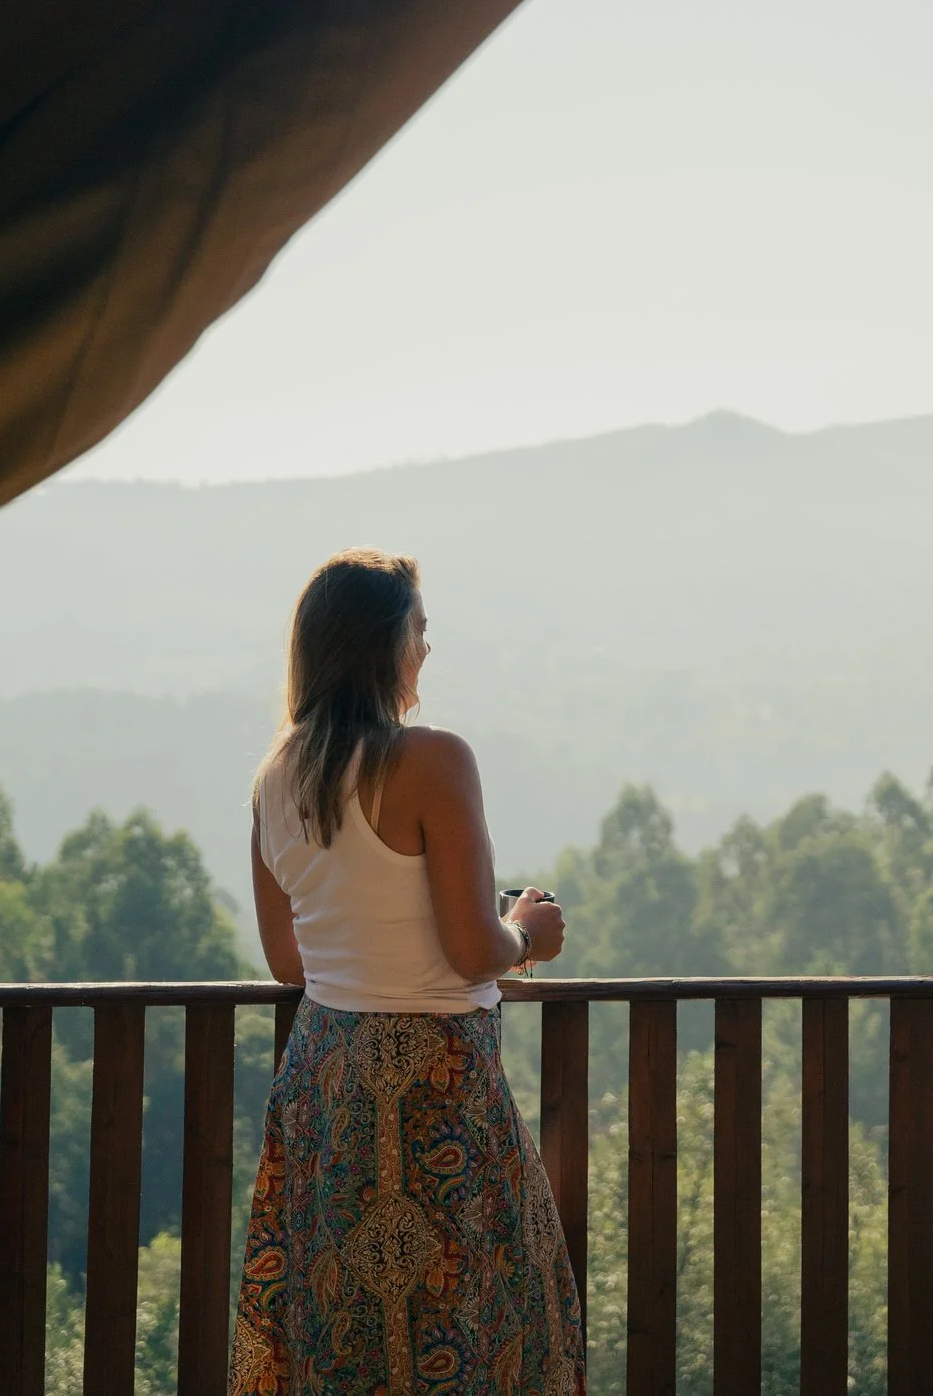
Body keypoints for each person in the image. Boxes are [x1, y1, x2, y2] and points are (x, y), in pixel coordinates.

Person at [233, 548, 581, 1395]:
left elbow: (288, 959)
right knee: (472, 1312)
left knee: (341, 1325)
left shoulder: (275, 780)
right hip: (436, 1077)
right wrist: (525, 931)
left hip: (326, 1083)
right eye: (420, 630)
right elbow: (472, 951)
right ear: (385, 644)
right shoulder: (432, 760)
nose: (427, 648)